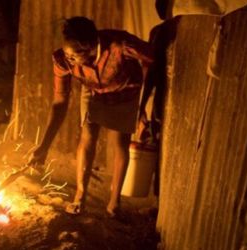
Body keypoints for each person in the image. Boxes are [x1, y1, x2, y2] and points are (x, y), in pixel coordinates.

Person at [28, 17, 153, 217]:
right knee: (87, 135)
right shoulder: (63, 60)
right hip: (93, 89)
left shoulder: (120, 45)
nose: (68, 59)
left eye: (74, 56)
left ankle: (114, 203)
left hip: (125, 89)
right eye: (67, 54)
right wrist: (43, 146)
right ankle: (80, 196)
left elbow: (153, 58)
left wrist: (145, 101)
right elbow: (59, 103)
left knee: (120, 141)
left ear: (91, 49)